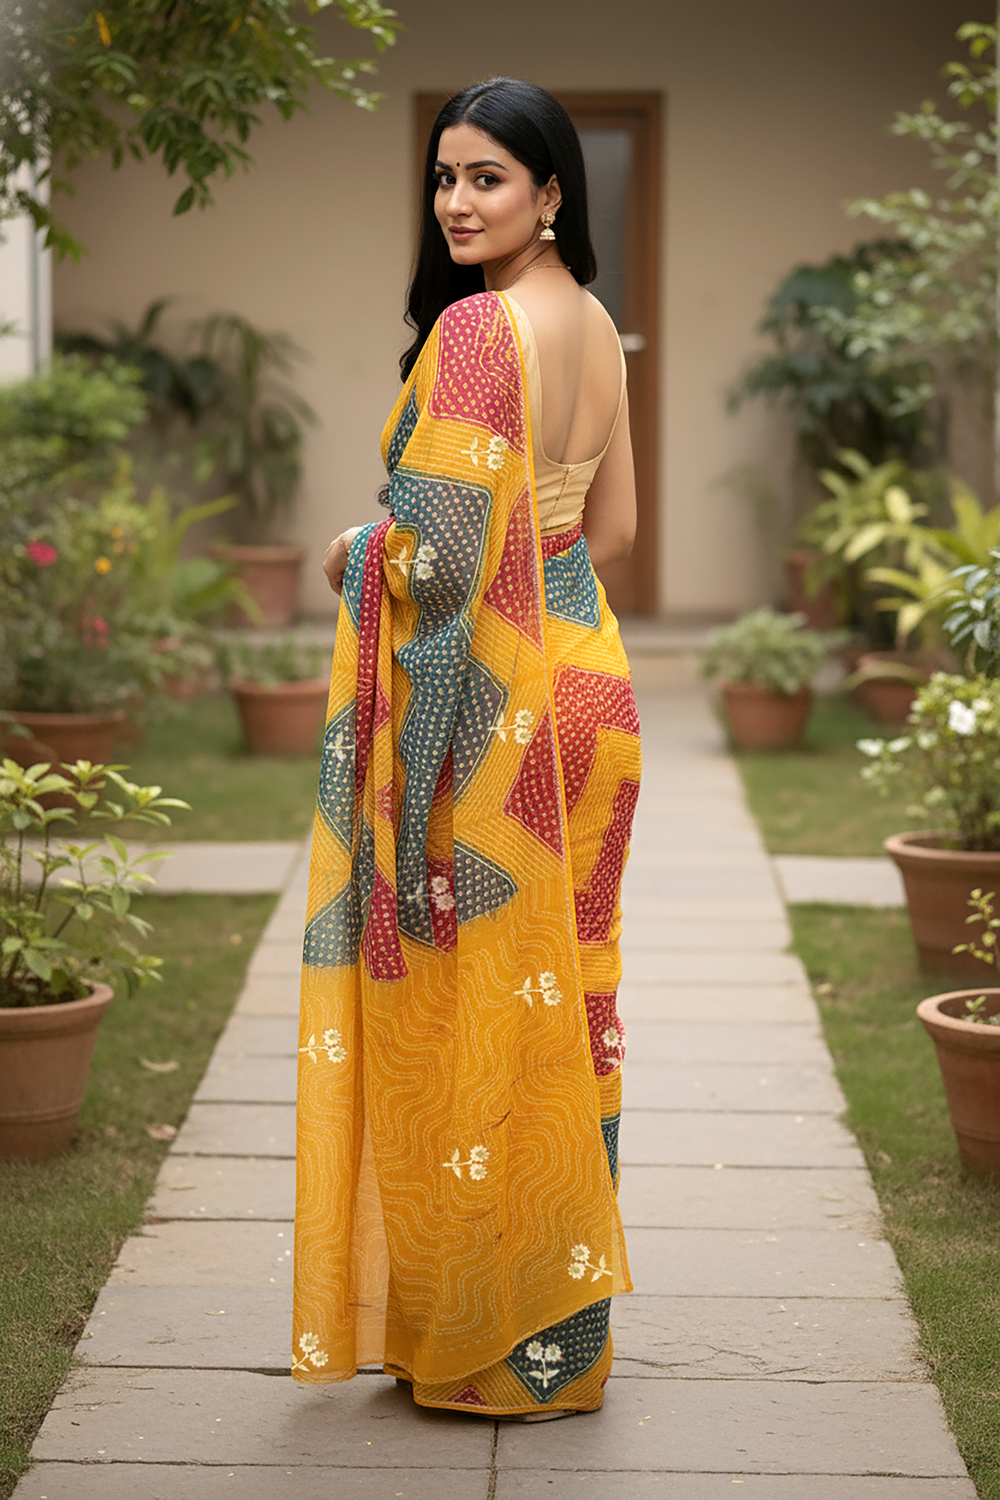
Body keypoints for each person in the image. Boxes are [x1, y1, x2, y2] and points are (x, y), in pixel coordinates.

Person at [293, 76, 642, 1420]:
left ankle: (483, 1345)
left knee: (472, 1016)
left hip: (496, 727)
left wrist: (356, 552)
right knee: (573, 1010)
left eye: (489, 177)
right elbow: (604, 539)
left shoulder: (484, 331)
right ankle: (564, 1341)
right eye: (444, 177)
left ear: (553, 193)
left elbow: (435, 567)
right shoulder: (599, 324)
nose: (457, 201)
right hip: (587, 693)